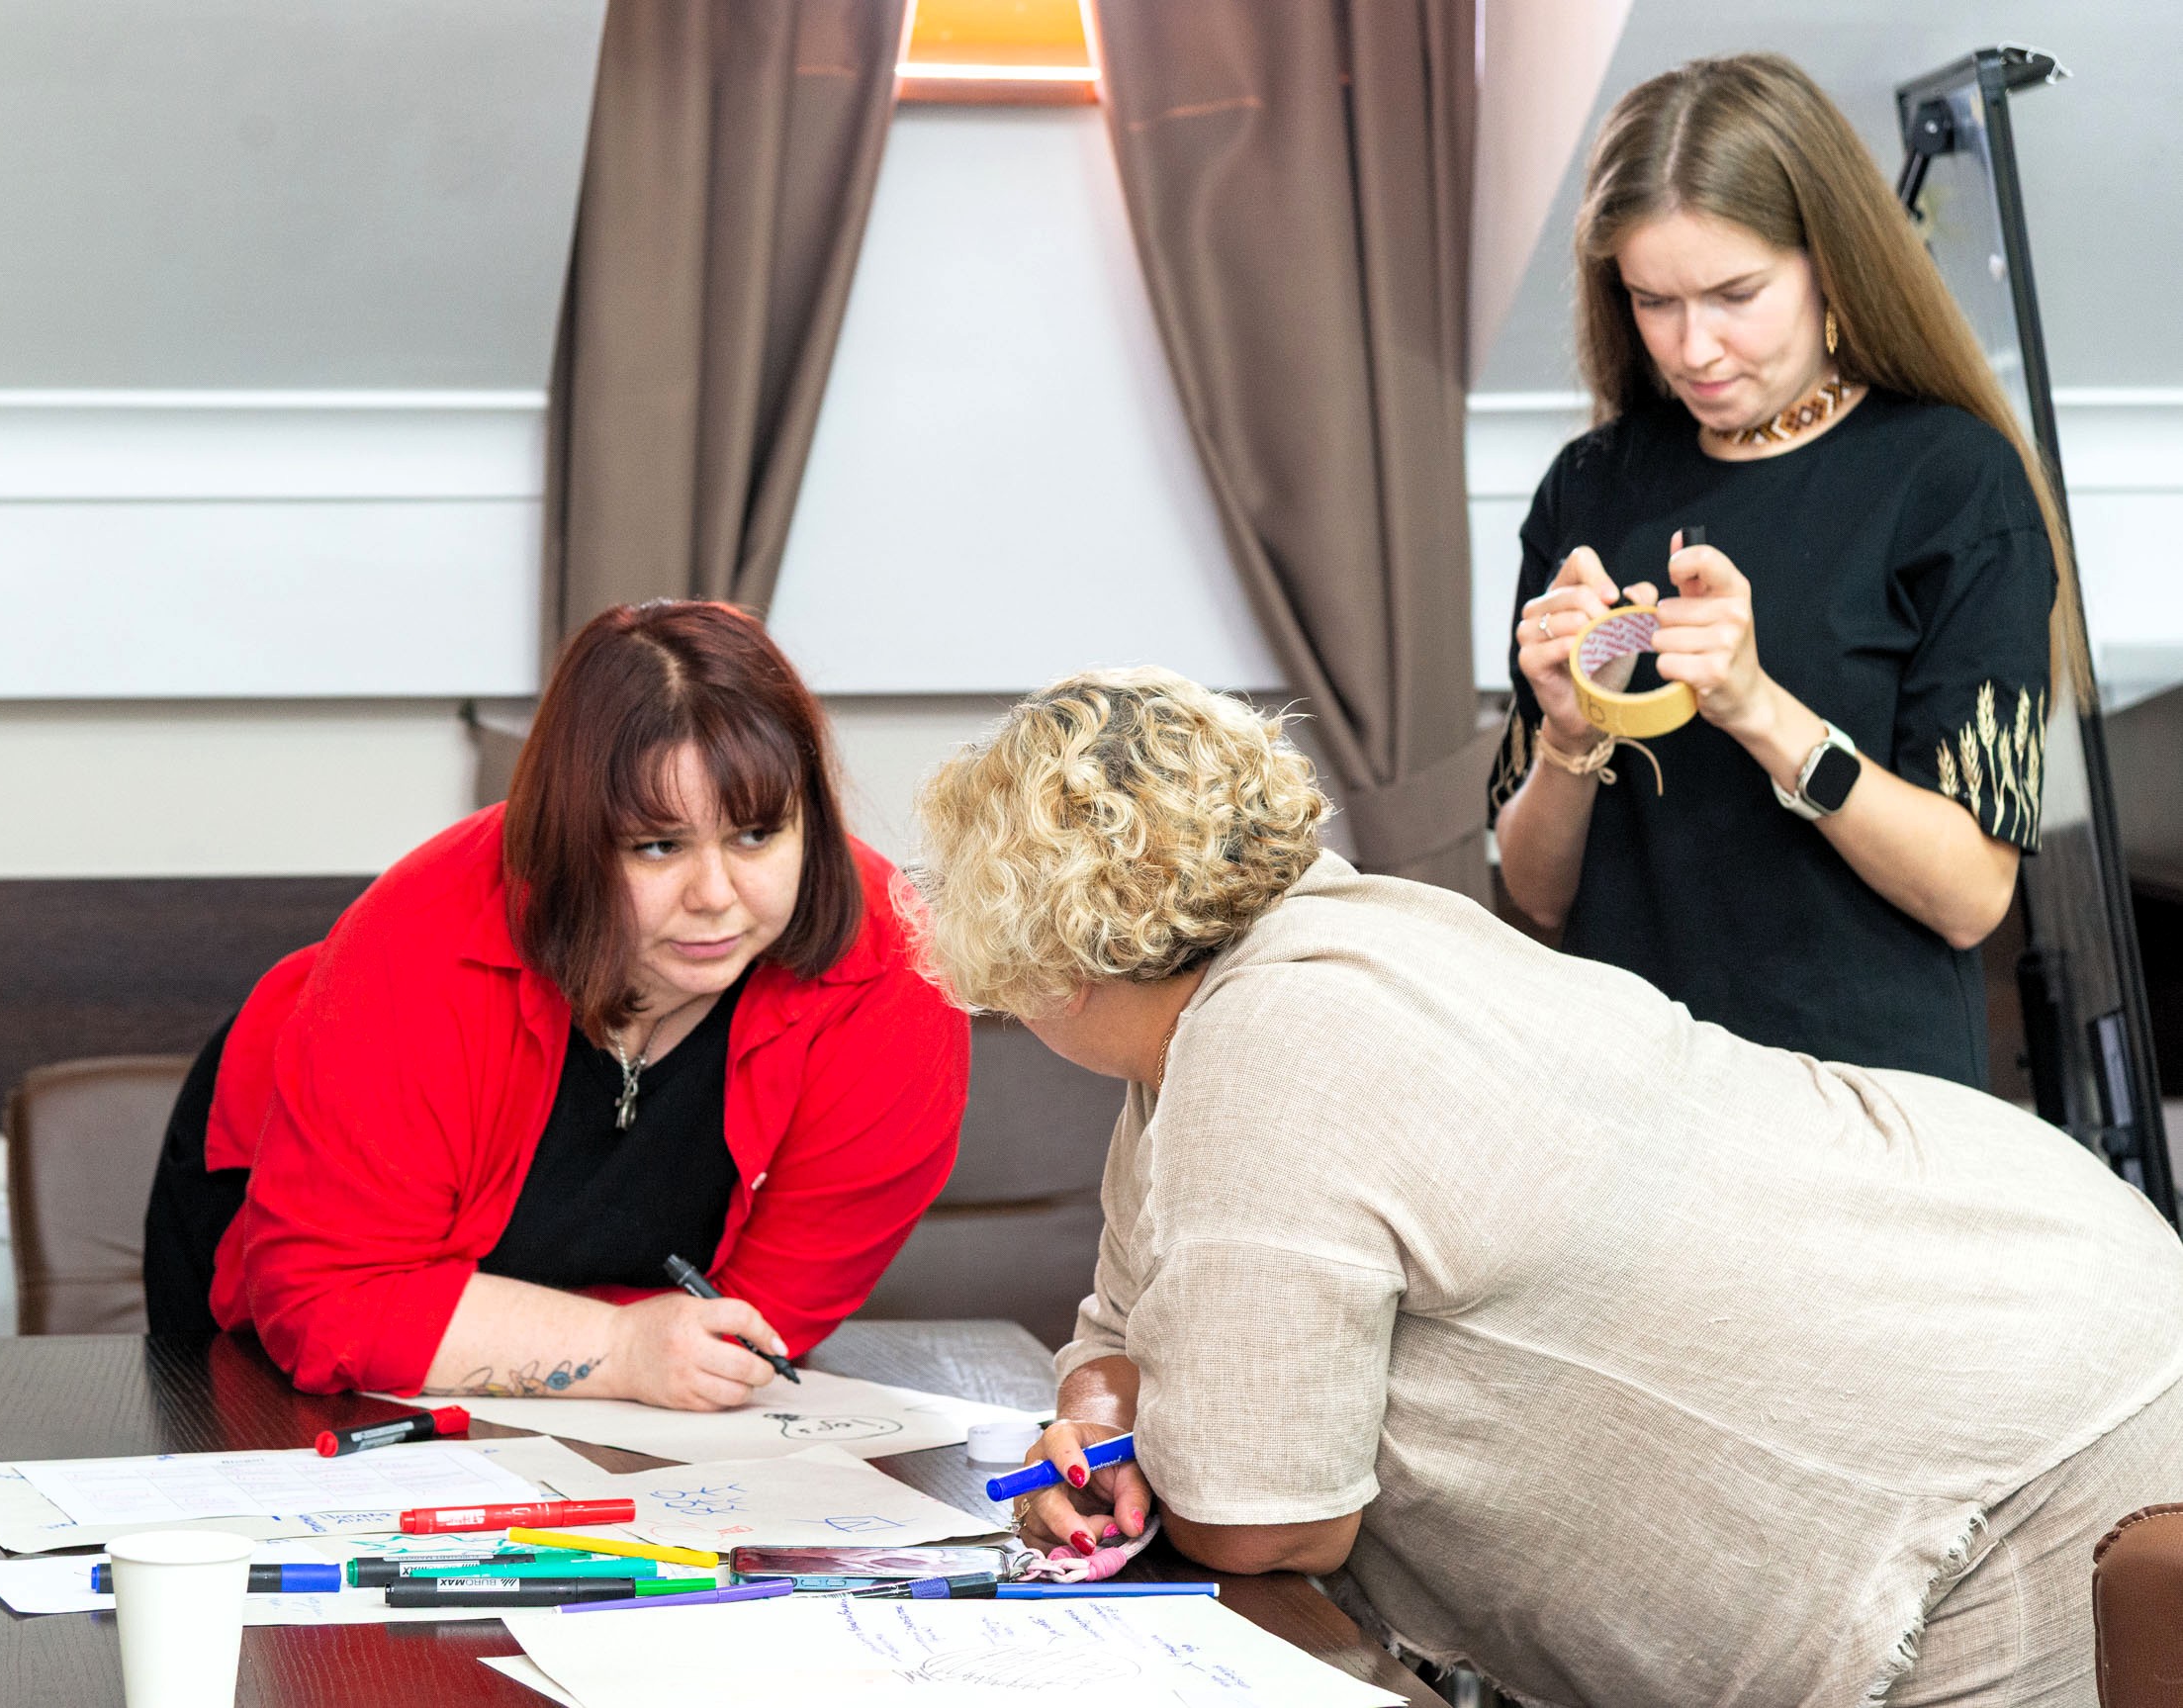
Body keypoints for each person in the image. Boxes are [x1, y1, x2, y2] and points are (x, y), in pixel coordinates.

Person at [913, 667, 2183, 1708]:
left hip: (2012, 1452)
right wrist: (1098, 1412)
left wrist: (1152, 1447)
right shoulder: (1287, 972)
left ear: (1043, 953)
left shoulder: (1269, 1048)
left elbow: (1266, 1525)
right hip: (2020, 1266)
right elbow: (1126, 1325)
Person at [143, 600, 969, 1405]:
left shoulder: (895, 975)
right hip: (289, 1217)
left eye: (756, 835)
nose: (715, 895)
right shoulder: (421, 934)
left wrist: (634, 1349)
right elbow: (326, 1304)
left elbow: (745, 1331)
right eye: (657, 845)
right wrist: (619, 1346)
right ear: (569, 843)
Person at [1489, 53, 2081, 1085]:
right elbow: (1540, 894)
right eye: (1653, 300)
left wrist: (1758, 708)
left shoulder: (1951, 483)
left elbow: (1970, 897)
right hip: (1628, 1101)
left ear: (1828, 263)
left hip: (1857, 1106)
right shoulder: (1587, 488)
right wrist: (1569, 734)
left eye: (1736, 294)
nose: (1694, 348)